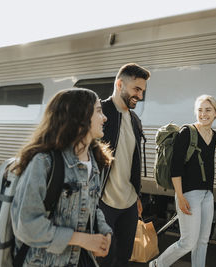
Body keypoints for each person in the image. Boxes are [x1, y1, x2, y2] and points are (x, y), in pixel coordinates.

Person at [10, 88, 114, 267]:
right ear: (79, 116)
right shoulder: (45, 162)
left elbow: (92, 207)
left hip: (81, 260)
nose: (104, 118)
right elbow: (26, 225)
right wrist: (81, 239)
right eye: (98, 111)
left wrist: (105, 234)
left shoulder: (95, 161)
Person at [149, 94, 216, 267]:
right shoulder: (187, 132)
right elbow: (176, 167)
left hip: (207, 194)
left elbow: (208, 166)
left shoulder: (214, 135)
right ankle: (158, 264)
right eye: (200, 110)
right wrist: (180, 196)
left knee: (203, 241)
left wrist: (209, 192)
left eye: (208, 110)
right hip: (189, 193)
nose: (203, 114)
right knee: (188, 242)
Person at [98, 63, 151, 267]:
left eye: (142, 91)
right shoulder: (99, 113)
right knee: (103, 259)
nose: (140, 95)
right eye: (136, 89)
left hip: (128, 204)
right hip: (104, 202)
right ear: (120, 84)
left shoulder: (135, 120)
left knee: (124, 259)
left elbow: (132, 162)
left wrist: (136, 195)